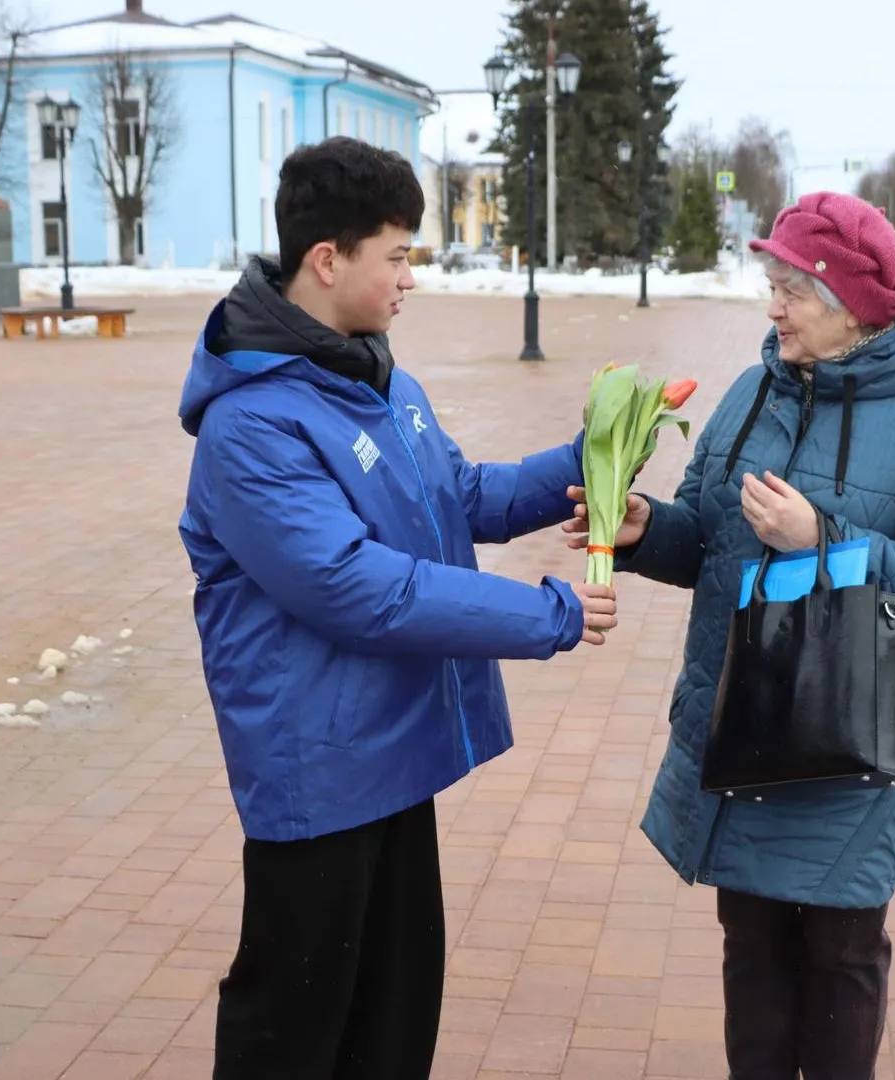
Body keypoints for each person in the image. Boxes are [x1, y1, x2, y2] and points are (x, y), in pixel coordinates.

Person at [177, 136, 618, 1080]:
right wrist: (549, 615)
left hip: (393, 758)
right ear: (327, 261)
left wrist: (591, 458)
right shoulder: (251, 424)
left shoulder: (378, 381)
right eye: (400, 254)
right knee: (292, 1037)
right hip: (318, 777)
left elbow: (460, 497)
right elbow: (358, 588)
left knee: (395, 1018)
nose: (412, 276)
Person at [566, 192, 895, 1079]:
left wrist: (827, 542)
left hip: (848, 749)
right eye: (772, 284)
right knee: (751, 954)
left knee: (839, 960)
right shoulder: (752, 392)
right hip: (743, 731)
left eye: (791, 290)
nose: (772, 307)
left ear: (851, 307)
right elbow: (709, 536)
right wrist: (649, 528)